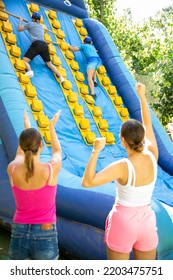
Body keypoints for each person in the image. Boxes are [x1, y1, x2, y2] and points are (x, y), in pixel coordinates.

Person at [82, 82, 159, 260]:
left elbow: (87, 182)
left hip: (124, 221)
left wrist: (95, 151)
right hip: (147, 220)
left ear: (122, 140)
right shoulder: (152, 154)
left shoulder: (122, 166)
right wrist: (142, 97)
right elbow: (147, 123)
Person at [7, 109, 62, 260]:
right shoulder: (50, 169)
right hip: (45, 231)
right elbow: (57, 152)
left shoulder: (12, 169)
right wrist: (51, 127)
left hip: (19, 230)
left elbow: (20, 154)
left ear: (22, 145)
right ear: (41, 145)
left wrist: (27, 129)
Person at [18, 12, 65, 83]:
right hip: (44, 45)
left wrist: (21, 20)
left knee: (24, 60)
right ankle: (61, 77)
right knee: (49, 64)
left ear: (33, 19)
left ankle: (30, 71)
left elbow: (19, 29)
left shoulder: (30, 24)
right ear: (39, 20)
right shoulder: (42, 27)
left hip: (36, 44)